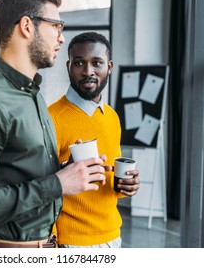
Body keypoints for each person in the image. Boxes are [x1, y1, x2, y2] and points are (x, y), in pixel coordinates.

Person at [0, 0, 107, 248]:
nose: (61, 39)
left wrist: (68, 171)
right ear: (27, 26)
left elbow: (18, 174)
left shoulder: (31, 94)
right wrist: (57, 184)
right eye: (56, 26)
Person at [48, 32, 140, 248]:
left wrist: (127, 185)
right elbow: (41, 186)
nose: (88, 71)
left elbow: (109, 179)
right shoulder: (50, 118)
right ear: (69, 66)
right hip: (70, 243)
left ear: (109, 66)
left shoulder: (112, 117)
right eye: (79, 63)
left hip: (112, 238)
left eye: (96, 62)